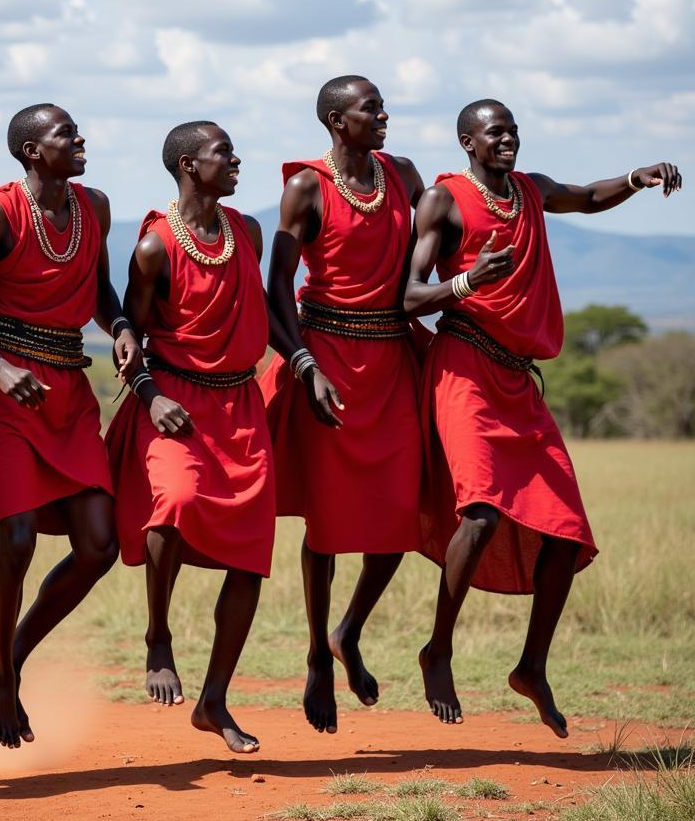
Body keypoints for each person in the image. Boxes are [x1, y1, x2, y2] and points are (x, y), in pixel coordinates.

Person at [405, 98, 681, 737]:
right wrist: (469, 282)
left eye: (513, 131)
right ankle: (438, 649)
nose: (508, 140)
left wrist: (634, 180)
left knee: (565, 532)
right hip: (465, 365)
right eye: (494, 133)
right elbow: (410, 296)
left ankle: (532, 666)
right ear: (467, 142)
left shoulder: (530, 191)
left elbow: (585, 197)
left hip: (517, 379)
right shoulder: (444, 201)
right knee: (478, 512)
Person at [0, 103, 141, 749]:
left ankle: (5, 660)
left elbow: (101, 291)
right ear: (32, 151)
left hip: (68, 390)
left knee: (98, 546)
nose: (80, 139)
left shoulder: (97, 207)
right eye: (65, 134)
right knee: (20, 538)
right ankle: (4, 679)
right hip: (4, 391)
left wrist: (120, 328)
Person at [259, 75, 427, 735]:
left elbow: (431, 256)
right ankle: (315, 659)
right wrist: (303, 366)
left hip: (393, 362)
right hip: (327, 360)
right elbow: (277, 284)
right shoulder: (307, 188)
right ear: (336, 120)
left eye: (383, 106)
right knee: (326, 524)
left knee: (400, 514)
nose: (383, 116)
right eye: (370, 108)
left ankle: (348, 631)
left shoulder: (405, 174)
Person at [105, 121, 274, 754]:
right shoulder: (153, 247)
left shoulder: (248, 232)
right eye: (222, 153)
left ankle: (214, 701)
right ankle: (158, 636)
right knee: (171, 506)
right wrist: (153, 399)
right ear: (186, 165)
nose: (236, 160)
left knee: (251, 556)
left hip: (242, 405)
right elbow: (132, 340)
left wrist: (306, 366)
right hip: (176, 400)